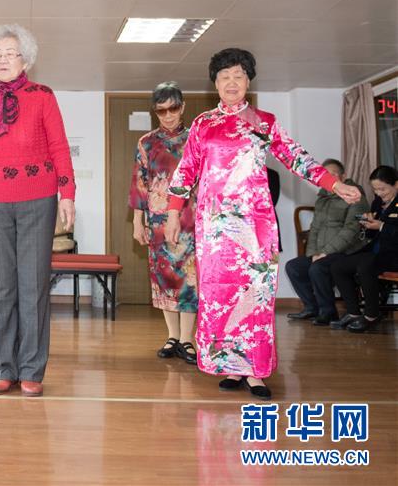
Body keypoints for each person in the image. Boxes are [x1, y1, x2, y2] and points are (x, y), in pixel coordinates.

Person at [164, 48, 360, 400]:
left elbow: (296, 157)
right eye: (224, 77)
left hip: (254, 227)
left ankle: (255, 371)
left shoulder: (263, 121)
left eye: (238, 76)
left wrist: (334, 184)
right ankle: (230, 365)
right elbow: (186, 171)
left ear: (248, 81)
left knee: (256, 295)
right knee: (220, 294)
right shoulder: (203, 124)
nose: (231, 82)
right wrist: (173, 213)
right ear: (215, 84)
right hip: (215, 228)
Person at [0, 24, 75, 397]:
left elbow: (59, 146)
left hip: (38, 199)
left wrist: (67, 193)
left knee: (33, 285)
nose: (3, 60)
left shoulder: (43, 96)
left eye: (11, 53)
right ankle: (4, 366)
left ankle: (32, 369)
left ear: (26, 59)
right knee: (1, 287)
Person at [129, 82, 199, 364]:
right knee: (165, 278)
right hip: (157, 221)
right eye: (161, 111)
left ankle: (187, 339)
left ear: (182, 107)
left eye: (173, 109)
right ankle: (173, 337)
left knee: (190, 280)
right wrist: (138, 222)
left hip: (190, 219)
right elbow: (139, 184)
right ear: (155, 112)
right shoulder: (146, 143)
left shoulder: (195, 138)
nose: (168, 115)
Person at [285, 159, 368, 325]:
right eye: (326, 175)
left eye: (333, 174)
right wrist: (313, 254)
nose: (329, 178)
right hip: (322, 252)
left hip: (346, 252)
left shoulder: (355, 195)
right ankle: (312, 307)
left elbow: (351, 230)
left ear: (343, 176)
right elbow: (315, 228)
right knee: (293, 267)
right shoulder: (322, 198)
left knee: (317, 268)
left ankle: (328, 312)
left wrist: (325, 253)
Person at [330, 165, 398, 333]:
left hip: (393, 254)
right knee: (338, 266)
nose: (379, 193)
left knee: (366, 264)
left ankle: (371, 315)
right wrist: (367, 224)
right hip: (377, 252)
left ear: (396, 184)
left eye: (383, 189)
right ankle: (353, 312)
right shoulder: (378, 202)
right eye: (375, 189)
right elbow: (372, 234)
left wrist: (381, 226)